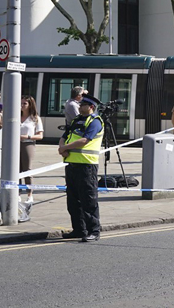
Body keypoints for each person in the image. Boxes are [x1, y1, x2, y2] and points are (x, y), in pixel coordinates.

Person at [58, 94, 104, 243]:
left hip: (87, 166)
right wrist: (62, 147)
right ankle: (79, 230)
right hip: (72, 165)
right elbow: (64, 136)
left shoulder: (95, 122)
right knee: (73, 201)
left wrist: (65, 148)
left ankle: (94, 231)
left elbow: (85, 140)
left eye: (83, 104)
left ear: (91, 107)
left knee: (88, 200)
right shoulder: (76, 120)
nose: (79, 106)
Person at [19, 95, 43, 203]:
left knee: (27, 169)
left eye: (24, 103)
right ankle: (17, 193)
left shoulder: (35, 118)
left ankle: (29, 194)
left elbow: (40, 136)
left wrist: (27, 136)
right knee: (16, 169)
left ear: (30, 105)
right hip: (15, 144)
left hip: (28, 144)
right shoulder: (16, 116)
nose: (22, 105)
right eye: (21, 103)